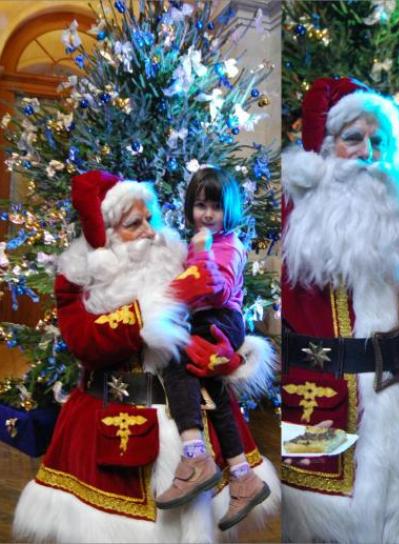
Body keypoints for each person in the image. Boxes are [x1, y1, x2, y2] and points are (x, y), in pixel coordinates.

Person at [13, 170, 279, 543]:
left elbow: (218, 314)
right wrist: (165, 303)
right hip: (113, 429)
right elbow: (84, 342)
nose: (151, 232)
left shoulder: (177, 256)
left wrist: (231, 357)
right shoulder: (76, 278)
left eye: (151, 218)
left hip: (191, 417)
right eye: (134, 224)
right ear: (105, 235)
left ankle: (238, 479)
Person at [281, 78, 399, 543]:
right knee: (319, 516)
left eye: (379, 140)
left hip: (397, 397)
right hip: (319, 398)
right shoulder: (297, 214)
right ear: (324, 148)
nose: (369, 152)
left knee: (392, 516)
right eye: (354, 139)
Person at [156, 166, 270, 529]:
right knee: (215, 391)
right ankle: (243, 476)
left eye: (215, 207)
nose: (207, 214)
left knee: (176, 360)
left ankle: (195, 456)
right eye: (200, 205)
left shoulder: (228, 245)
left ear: (230, 210)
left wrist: (202, 254)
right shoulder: (200, 242)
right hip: (208, 318)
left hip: (222, 320)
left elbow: (215, 289)